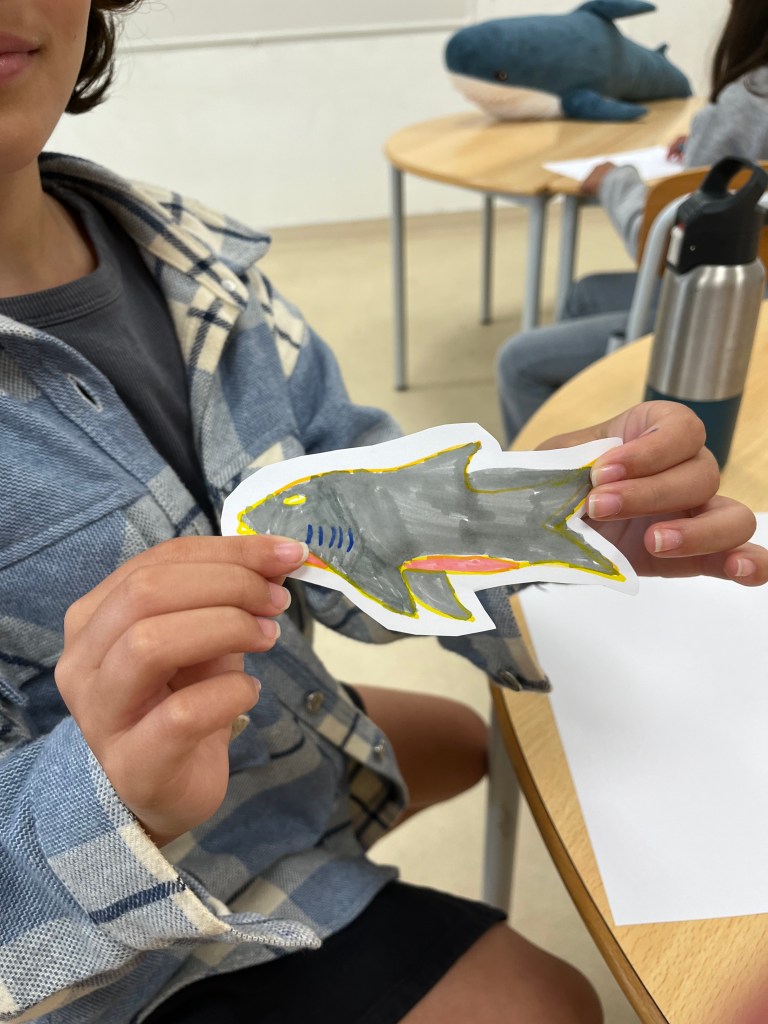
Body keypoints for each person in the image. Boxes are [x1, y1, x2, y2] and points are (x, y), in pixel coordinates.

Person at [1, 4, 766, 1024]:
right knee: (546, 1006)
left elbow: (352, 508)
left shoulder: (192, 259)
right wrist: (106, 798)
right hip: (123, 958)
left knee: (466, 736)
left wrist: (539, 535)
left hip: (284, 762)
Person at [496, 0, 768, 444]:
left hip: (727, 311)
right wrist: (703, 141)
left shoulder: (748, 98)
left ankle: (555, 477)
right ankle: (606, 429)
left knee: (518, 362)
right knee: (585, 293)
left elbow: (668, 242)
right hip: (754, 288)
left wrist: (614, 182)